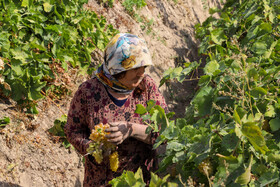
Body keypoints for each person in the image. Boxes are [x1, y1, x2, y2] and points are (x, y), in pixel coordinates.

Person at [64, 33, 168, 186]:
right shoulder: (88, 92)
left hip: (140, 179)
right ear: (117, 69)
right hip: (101, 180)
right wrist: (91, 147)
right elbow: (73, 130)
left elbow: (165, 131)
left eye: (144, 67)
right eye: (135, 68)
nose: (141, 73)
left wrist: (131, 129)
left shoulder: (147, 87)